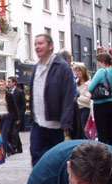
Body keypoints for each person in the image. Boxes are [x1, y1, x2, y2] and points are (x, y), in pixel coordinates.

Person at [29, 34, 75, 166]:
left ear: (51, 46)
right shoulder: (36, 67)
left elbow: (69, 96)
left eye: (41, 43)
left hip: (56, 125)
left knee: (57, 161)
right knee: (36, 157)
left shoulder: (62, 67)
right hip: (38, 123)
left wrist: (66, 125)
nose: (37, 47)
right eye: (35, 44)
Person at [88, 53, 112, 147]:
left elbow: (90, 88)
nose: (98, 65)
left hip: (100, 105)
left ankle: (103, 156)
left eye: (98, 63)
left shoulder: (101, 72)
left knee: (102, 133)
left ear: (102, 62)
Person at [0, 79, 19, 156]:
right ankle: (11, 149)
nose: (1, 86)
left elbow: (14, 107)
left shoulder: (9, 95)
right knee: (1, 135)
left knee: (3, 135)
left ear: (5, 86)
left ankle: (3, 153)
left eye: (3, 85)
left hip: (7, 117)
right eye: (0, 85)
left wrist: (17, 118)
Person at [8, 76, 25, 151]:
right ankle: (19, 148)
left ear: (14, 83)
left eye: (9, 82)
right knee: (13, 132)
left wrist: (19, 118)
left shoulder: (20, 92)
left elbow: (23, 106)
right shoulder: (8, 92)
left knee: (14, 133)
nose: (8, 83)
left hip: (17, 116)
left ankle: (13, 148)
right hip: (10, 116)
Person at [73, 64, 91, 139]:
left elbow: (87, 99)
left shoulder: (89, 83)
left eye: (79, 71)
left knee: (81, 130)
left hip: (84, 109)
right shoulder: (75, 82)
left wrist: (76, 97)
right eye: (75, 71)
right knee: (77, 130)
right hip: (76, 109)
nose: (77, 73)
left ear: (83, 71)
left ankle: (88, 146)